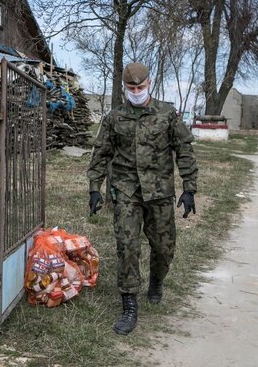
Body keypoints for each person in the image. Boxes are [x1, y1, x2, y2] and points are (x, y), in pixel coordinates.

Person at [87, 62, 198, 336]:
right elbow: (101, 152)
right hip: (126, 191)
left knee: (163, 247)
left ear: (150, 83)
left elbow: (183, 149)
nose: (136, 91)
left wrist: (189, 187)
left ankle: (157, 281)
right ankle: (129, 305)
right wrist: (94, 188)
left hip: (159, 192)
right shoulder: (114, 118)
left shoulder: (167, 114)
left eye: (140, 86)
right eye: (131, 88)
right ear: (125, 88)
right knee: (127, 246)